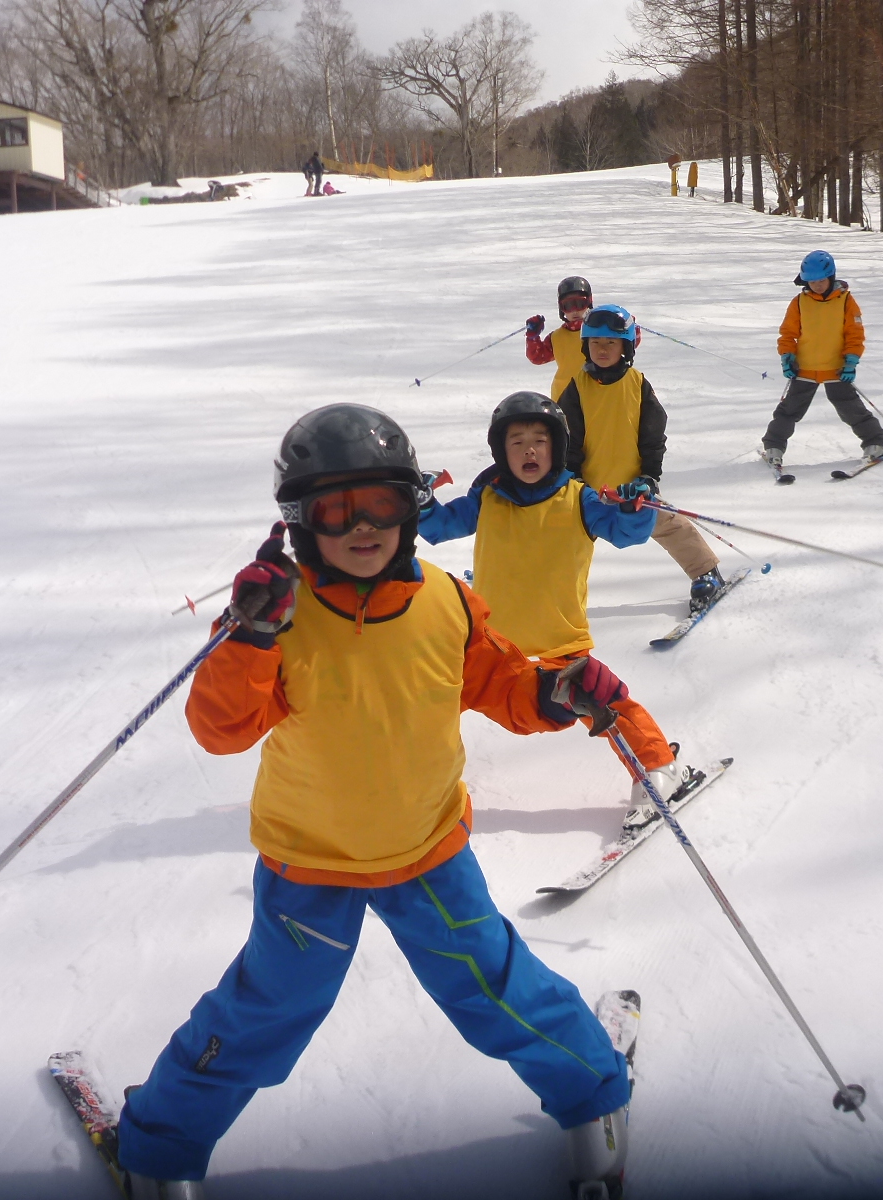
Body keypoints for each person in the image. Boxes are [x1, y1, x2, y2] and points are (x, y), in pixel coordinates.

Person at [114, 404, 634, 1200]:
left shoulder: (446, 601)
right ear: (298, 521)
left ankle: (591, 1093)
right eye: (334, 510)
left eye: (382, 506)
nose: (363, 528)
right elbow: (222, 731)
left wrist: (560, 689)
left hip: (426, 852)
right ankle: (159, 1144)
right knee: (266, 1011)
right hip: (308, 863)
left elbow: (500, 683)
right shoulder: (277, 615)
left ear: (409, 507)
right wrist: (249, 639)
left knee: (498, 990)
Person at [420, 392, 684, 828]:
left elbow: (625, 533)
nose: (529, 450)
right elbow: (437, 527)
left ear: (557, 447)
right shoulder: (488, 497)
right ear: (500, 452)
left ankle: (657, 767)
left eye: (540, 440)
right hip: (487, 646)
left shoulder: (580, 499)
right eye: (516, 441)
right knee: (425, 704)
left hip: (559, 642)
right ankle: (405, 782)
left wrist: (635, 508)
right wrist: (421, 500)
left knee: (605, 699)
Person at [559, 303, 727, 615]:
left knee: (672, 526)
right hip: (587, 491)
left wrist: (649, 476)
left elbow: (652, 435)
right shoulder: (576, 390)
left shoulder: (637, 385)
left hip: (632, 488)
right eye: (595, 343)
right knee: (557, 537)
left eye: (611, 343)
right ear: (585, 347)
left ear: (626, 347)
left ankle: (706, 574)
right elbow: (566, 440)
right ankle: (535, 586)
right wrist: (573, 479)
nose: (602, 350)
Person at [759, 250, 883, 470]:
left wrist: (851, 361)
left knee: (851, 410)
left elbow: (855, 334)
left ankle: (874, 443)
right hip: (805, 367)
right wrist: (787, 356)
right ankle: (774, 448)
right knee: (789, 411)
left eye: (821, 280)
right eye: (812, 281)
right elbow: (788, 333)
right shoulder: (799, 302)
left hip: (836, 367)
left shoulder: (846, 301)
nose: (817, 285)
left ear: (831, 277)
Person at [525, 275, 593, 405]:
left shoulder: (599, 331)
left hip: (594, 394)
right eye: (568, 306)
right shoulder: (556, 337)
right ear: (561, 309)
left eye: (580, 303)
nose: (575, 311)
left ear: (589, 303)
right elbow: (537, 357)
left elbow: (626, 344)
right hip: (564, 396)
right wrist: (532, 337)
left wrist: (627, 328)